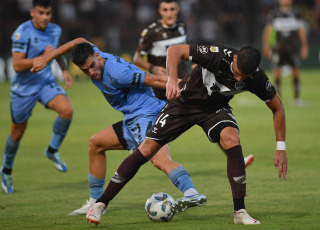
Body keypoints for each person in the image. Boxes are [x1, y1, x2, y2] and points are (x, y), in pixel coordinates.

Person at [84, 44, 288, 226]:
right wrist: (172, 80)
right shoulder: (218, 56)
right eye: (237, 73)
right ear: (235, 59)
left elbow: (277, 107)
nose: (238, 79)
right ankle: (101, 204)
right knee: (146, 150)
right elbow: (175, 50)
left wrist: (280, 147)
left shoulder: (257, 77)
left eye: (244, 77)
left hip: (213, 109)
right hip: (183, 102)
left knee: (232, 138)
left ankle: (240, 212)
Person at [31, 38, 207, 215]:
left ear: (98, 56)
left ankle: (191, 193)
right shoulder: (90, 52)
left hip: (146, 116)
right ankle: (94, 202)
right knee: (96, 144)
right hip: (132, 118)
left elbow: (155, 80)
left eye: (92, 65)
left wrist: (188, 87)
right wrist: (47, 58)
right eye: (85, 70)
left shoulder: (117, 73)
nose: (91, 72)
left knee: (158, 159)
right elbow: (77, 41)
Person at [134, 0, 254, 167]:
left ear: (177, 10)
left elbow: (186, 51)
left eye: (172, 9)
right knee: (155, 127)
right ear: (160, 11)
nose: (169, 13)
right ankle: (144, 154)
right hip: (163, 84)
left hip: (185, 82)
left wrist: (197, 66)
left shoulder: (181, 27)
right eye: (165, 9)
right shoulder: (151, 32)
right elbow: (136, 58)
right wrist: (152, 67)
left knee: (208, 113)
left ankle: (233, 157)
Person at [0, 0, 73, 194]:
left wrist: (64, 70)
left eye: (48, 13)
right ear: (32, 13)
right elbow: (17, 65)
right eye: (41, 13)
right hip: (24, 89)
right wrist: (43, 55)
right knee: (17, 133)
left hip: (45, 83)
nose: (45, 17)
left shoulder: (54, 30)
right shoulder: (22, 32)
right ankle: (6, 170)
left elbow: (56, 51)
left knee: (67, 110)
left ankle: (52, 150)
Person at [262, 0, 308, 105]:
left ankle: (297, 98)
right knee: (277, 73)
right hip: (278, 48)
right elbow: (268, 30)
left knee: (295, 72)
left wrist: (304, 45)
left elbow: (301, 30)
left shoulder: (296, 13)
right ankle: (278, 98)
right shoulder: (274, 13)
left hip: (292, 47)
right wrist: (266, 46)